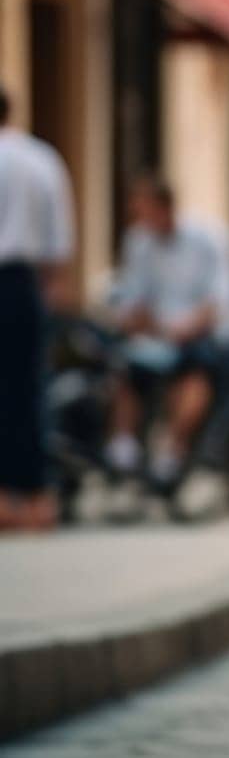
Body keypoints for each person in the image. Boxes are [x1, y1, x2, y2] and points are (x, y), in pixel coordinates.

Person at [104, 175, 229, 490]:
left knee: (194, 371)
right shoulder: (139, 242)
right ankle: (123, 445)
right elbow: (132, 295)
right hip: (156, 335)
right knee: (124, 368)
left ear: (165, 208)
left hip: (201, 333)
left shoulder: (209, 238)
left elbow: (219, 300)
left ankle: (174, 448)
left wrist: (185, 327)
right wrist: (134, 318)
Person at [0, 86, 75, 531]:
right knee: (27, 391)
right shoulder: (41, 160)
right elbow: (59, 241)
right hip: (24, 283)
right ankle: (37, 500)